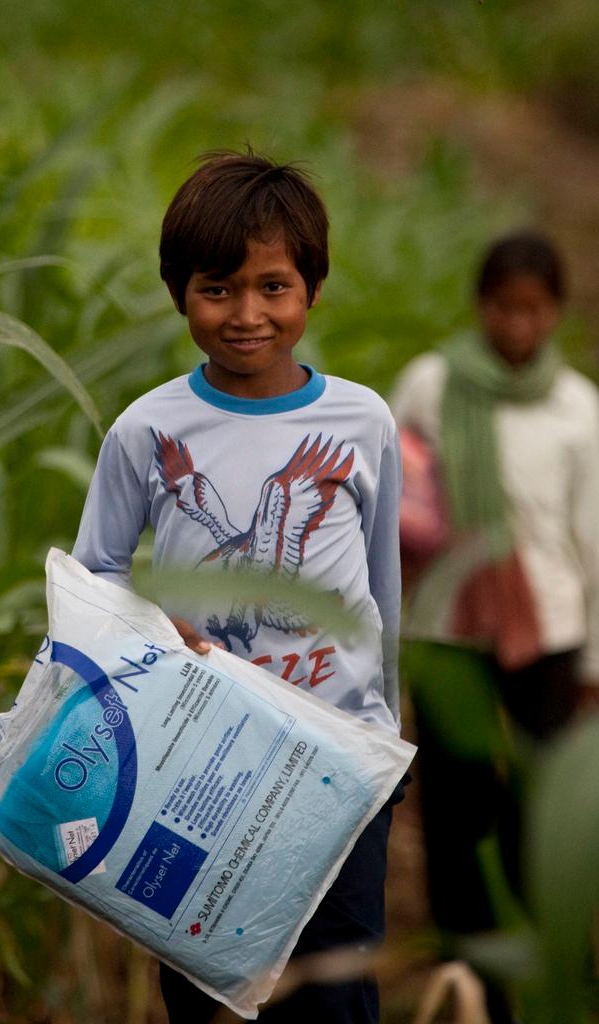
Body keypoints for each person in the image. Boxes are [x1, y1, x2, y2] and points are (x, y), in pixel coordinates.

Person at [72, 151, 405, 1023]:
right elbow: (95, 573)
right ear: (180, 292)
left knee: (334, 995)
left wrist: (389, 736)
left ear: (313, 290)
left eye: (274, 286)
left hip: (339, 761)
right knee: (207, 993)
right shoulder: (146, 430)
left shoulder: (362, 421)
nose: (248, 314)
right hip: (200, 767)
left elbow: (381, 584)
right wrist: (152, 628)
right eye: (218, 289)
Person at [389, 231, 599, 1024]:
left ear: (555, 313)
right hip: (446, 631)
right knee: (455, 808)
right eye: (504, 307)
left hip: (550, 635)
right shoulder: (429, 383)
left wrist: (594, 669)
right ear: (481, 306)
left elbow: (595, 541)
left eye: (534, 309)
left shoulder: (579, 408)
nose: (517, 326)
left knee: (547, 814)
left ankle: (552, 971)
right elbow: (391, 491)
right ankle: (467, 980)